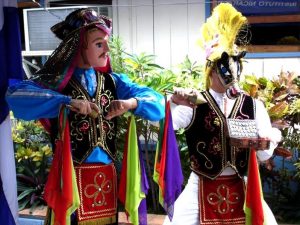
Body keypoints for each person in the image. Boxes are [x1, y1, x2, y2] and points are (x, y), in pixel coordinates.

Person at [6, 8, 164, 225]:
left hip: (107, 182)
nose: (107, 49)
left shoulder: (114, 82)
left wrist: (131, 103)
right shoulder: (57, 85)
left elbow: (158, 103)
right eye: (99, 43)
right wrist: (66, 103)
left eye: (106, 42)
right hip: (70, 185)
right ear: (77, 46)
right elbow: (15, 96)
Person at [163, 3, 281, 225]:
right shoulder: (194, 102)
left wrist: (267, 140)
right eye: (223, 64)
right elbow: (167, 124)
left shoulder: (253, 106)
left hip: (242, 185)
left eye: (234, 63)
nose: (230, 70)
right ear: (211, 68)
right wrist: (172, 102)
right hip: (200, 185)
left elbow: (265, 156)